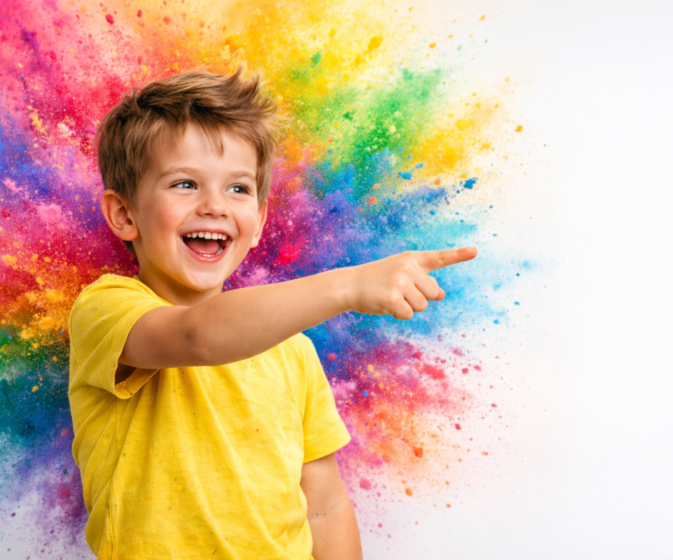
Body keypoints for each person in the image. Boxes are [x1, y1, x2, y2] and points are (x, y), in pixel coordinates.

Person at [67, 67, 477, 560]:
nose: (215, 206)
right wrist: (348, 284)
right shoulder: (105, 309)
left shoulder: (293, 350)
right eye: (184, 184)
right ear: (124, 215)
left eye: (238, 189)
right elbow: (199, 336)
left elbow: (323, 505)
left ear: (259, 222)